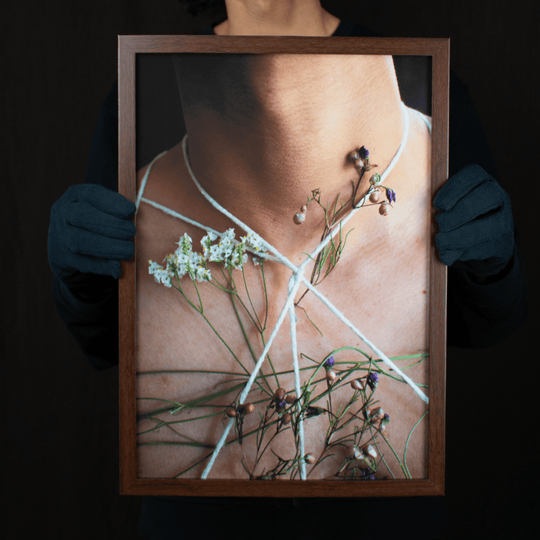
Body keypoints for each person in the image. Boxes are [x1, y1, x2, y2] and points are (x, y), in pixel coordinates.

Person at [47, 0, 527, 538]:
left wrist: (493, 263)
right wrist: (77, 276)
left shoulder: (438, 100)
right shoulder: (132, 103)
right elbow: (107, 340)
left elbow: (485, 323)